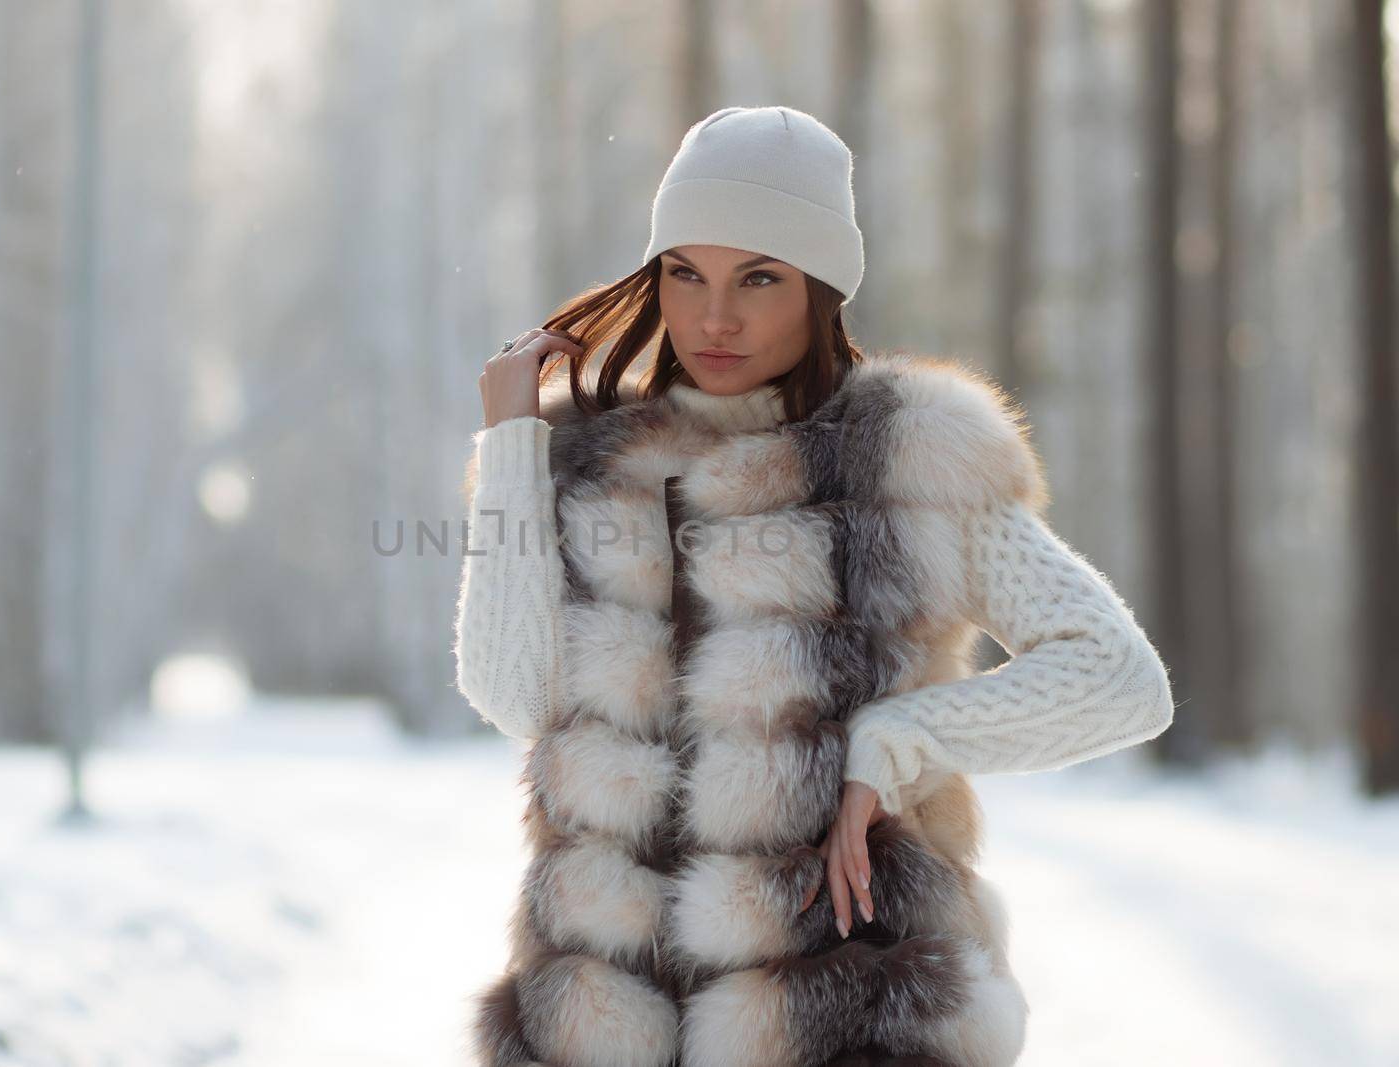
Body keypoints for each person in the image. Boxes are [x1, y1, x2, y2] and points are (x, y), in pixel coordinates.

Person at [453, 105, 1174, 1067]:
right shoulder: (588, 459)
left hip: (852, 1012)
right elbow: (511, 694)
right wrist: (509, 448)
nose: (716, 316)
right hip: (603, 1012)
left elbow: (1120, 677)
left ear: (821, 287)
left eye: (760, 278)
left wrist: (901, 737)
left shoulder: (909, 456)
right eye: (686, 272)